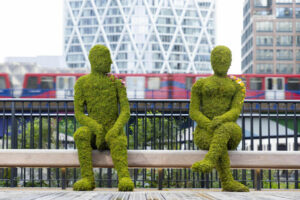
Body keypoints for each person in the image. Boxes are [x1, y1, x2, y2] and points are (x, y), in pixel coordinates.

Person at [73, 44, 134, 191]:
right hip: (95, 134)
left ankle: (124, 177)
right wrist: (96, 128)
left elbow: (126, 111)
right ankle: (87, 178)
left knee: (117, 139)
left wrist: (115, 129)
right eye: (107, 58)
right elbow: (79, 113)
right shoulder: (82, 83)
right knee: (81, 134)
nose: (111, 62)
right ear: (96, 60)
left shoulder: (116, 83)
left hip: (112, 132)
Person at [189, 45, 248, 192]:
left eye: (225, 58)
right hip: (205, 132)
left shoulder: (237, 86)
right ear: (211, 60)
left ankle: (209, 161)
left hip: (231, 132)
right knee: (218, 140)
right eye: (218, 58)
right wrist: (207, 124)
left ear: (230, 61)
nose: (221, 60)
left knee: (225, 128)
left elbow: (235, 110)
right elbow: (194, 111)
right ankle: (227, 182)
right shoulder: (200, 84)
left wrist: (221, 119)